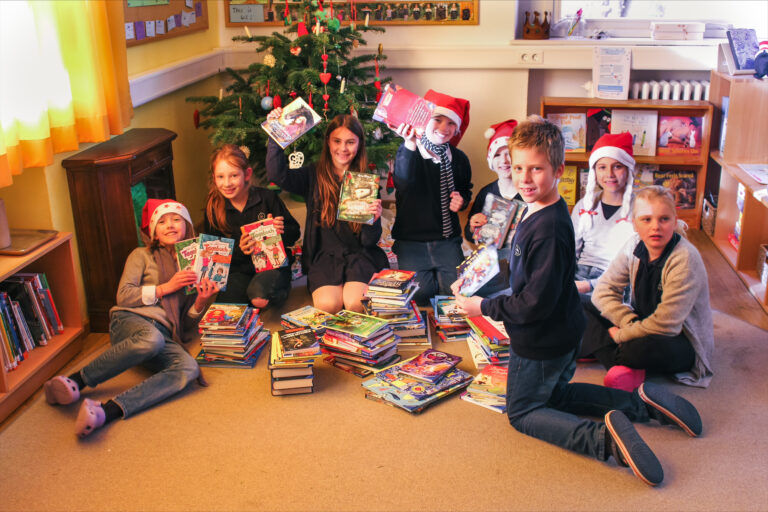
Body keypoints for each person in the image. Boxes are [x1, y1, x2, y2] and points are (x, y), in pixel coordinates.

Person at [451, 116, 703, 486]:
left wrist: (483, 307)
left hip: (541, 341)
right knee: (558, 394)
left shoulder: (549, 227)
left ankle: (602, 440)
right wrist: (477, 274)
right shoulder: (540, 209)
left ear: (557, 170)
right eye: (519, 167)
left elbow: (532, 302)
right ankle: (640, 405)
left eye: (536, 169)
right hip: (561, 331)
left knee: (524, 411)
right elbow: (529, 272)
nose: (524, 178)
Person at [43, 199, 218, 438]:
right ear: (153, 231)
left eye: (177, 219)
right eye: (162, 221)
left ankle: (107, 412)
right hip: (130, 320)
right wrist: (165, 288)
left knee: (188, 368)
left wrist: (201, 301)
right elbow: (123, 296)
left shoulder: (194, 266)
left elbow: (184, 327)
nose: (170, 225)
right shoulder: (141, 255)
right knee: (151, 339)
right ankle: (75, 381)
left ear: (188, 227)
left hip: (164, 334)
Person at [583, 185, 715, 391]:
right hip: (641, 321)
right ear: (634, 223)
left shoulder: (685, 258)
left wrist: (621, 335)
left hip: (677, 338)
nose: (656, 227)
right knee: (581, 303)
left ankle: (605, 350)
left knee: (637, 350)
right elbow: (602, 291)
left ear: (674, 220)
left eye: (664, 219)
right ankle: (621, 361)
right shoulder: (633, 245)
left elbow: (667, 325)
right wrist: (628, 322)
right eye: (646, 220)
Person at [266, 111, 387, 313]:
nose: (342, 148)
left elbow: (368, 241)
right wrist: (275, 135)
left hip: (359, 255)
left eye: (350, 142)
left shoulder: (365, 180)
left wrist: (374, 220)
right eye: (337, 141)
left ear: (359, 144)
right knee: (328, 306)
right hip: (324, 257)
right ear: (328, 142)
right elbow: (277, 174)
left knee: (356, 305)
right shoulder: (312, 175)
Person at [391, 89, 472, 305]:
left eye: (451, 124)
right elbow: (402, 182)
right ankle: (429, 277)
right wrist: (409, 144)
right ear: (427, 120)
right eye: (438, 120)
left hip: (446, 240)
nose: (444, 128)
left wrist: (461, 199)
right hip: (412, 241)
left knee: (455, 293)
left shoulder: (459, 159)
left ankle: (440, 275)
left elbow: (466, 188)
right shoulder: (409, 151)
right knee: (420, 295)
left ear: (457, 129)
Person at [204, 144, 301, 310]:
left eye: (234, 175)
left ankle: (279, 286)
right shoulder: (213, 208)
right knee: (224, 309)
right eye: (220, 177)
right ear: (214, 178)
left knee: (259, 298)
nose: (227, 183)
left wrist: (280, 231)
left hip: (272, 266)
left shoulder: (267, 198)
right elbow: (213, 257)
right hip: (238, 271)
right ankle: (247, 294)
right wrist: (240, 249)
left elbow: (295, 232)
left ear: (247, 174)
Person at [571, 132, 636, 295]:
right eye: (602, 167)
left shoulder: (641, 209)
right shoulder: (583, 206)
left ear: (628, 169)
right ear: (594, 171)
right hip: (579, 274)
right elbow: (571, 251)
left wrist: (590, 285)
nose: (609, 174)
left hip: (615, 281)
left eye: (617, 166)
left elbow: (634, 266)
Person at [464, 119, 520, 297]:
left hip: (520, 260)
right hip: (492, 260)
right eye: (497, 155)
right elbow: (469, 234)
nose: (504, 160)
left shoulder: (528, 191)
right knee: (471, 291)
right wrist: (473, 226)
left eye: (509, 154)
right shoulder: (487, 192)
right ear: (491, 160)